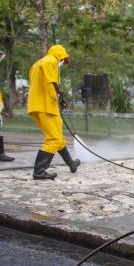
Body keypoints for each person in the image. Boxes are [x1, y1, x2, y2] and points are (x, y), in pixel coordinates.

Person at [27, 44, 79, 180]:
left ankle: (71, 163)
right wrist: (59, 90)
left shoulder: (36, 64)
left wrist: (59, 97)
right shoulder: (50, 61)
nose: (63, 63)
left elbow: (46, 84)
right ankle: (39, 171)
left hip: (37, 105)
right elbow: (52, 81)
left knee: (58, 137)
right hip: (45, 106)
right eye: (64, 60)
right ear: (60, 56)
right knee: (53, 139)